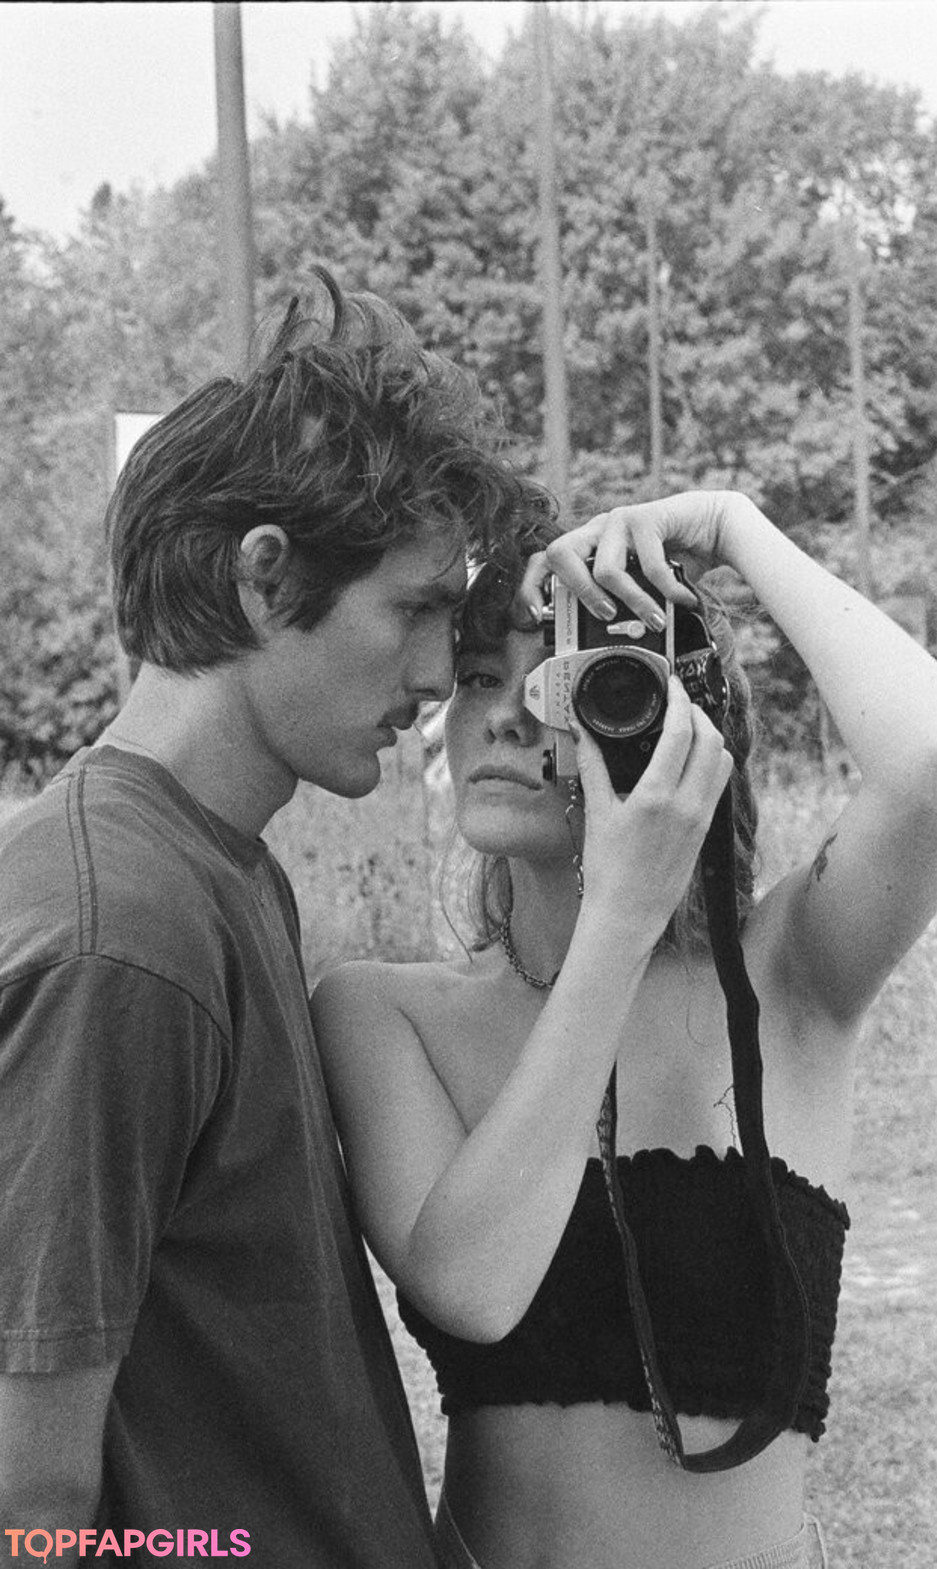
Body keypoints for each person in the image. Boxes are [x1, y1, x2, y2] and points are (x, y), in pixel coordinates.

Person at [312, 489, 937, 1569]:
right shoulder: (381, 1012)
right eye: (480, 675)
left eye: (565, 674)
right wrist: (620, 920)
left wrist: (731, 526)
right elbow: (473, 1286)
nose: (508, 715)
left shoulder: (787, 980)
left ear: (667, 710)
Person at [0, 269, 552, 1565]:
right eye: (415, 609)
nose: (441, 673)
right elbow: (28, 1508)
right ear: (263, 577)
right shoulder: (119, 933)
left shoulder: (217, 866)